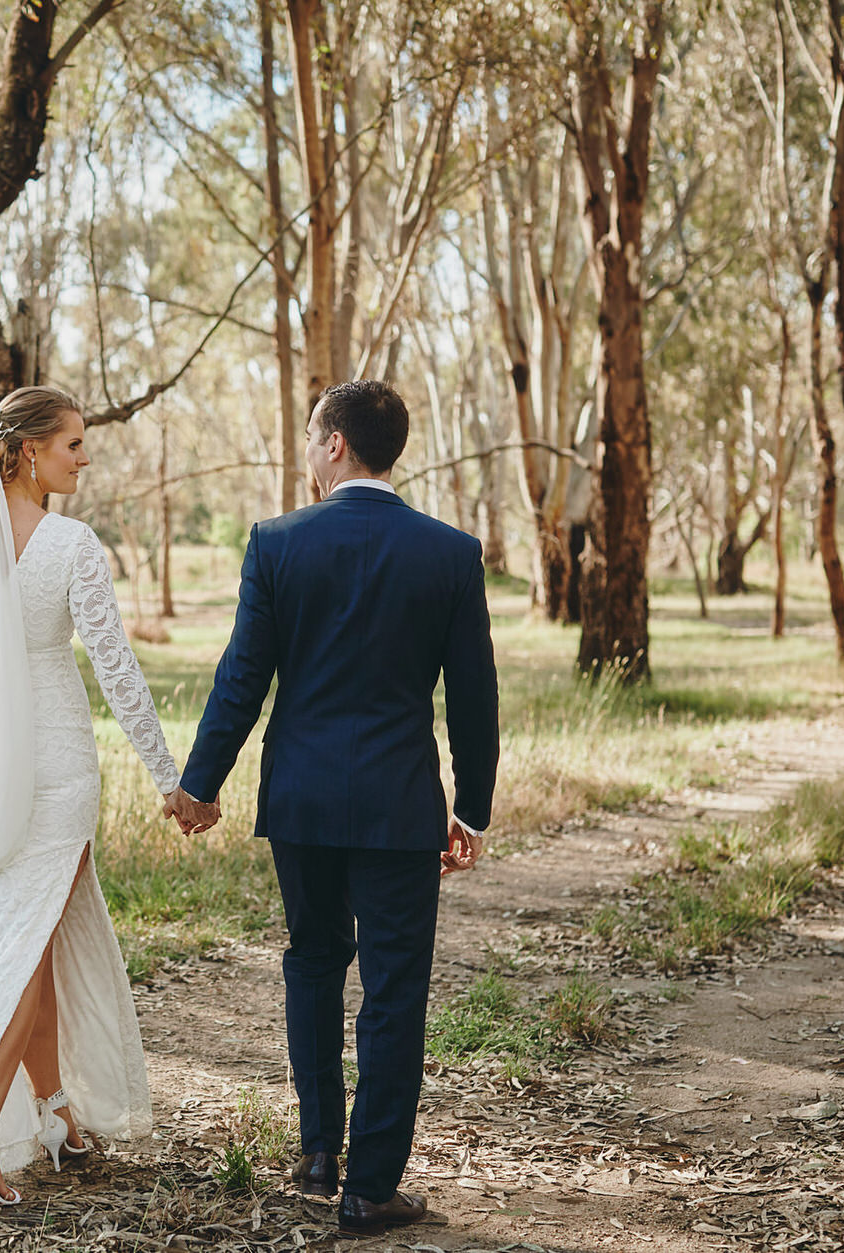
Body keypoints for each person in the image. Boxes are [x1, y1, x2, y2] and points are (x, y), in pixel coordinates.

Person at [169, 379, 499, 1237]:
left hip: (303, 798)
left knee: (313, 961)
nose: (307, 453)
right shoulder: (449, 552)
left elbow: (243, 674)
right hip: (399, 805)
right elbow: (474, 696)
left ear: (335, 445)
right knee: (395, 989)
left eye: (310, 437)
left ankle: (320, 1150)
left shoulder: (278, 543)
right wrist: (473, 807)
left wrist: (202, 784)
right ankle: (370, 1185)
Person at [0, 386, 183, 1205]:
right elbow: (116, 670)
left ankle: (52, 1110)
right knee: (23, 947)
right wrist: (169, 776)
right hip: (51, 766)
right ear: (25, 453)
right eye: (73, 445)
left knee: (29, 938)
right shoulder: (70, 544)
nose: (84, 457)